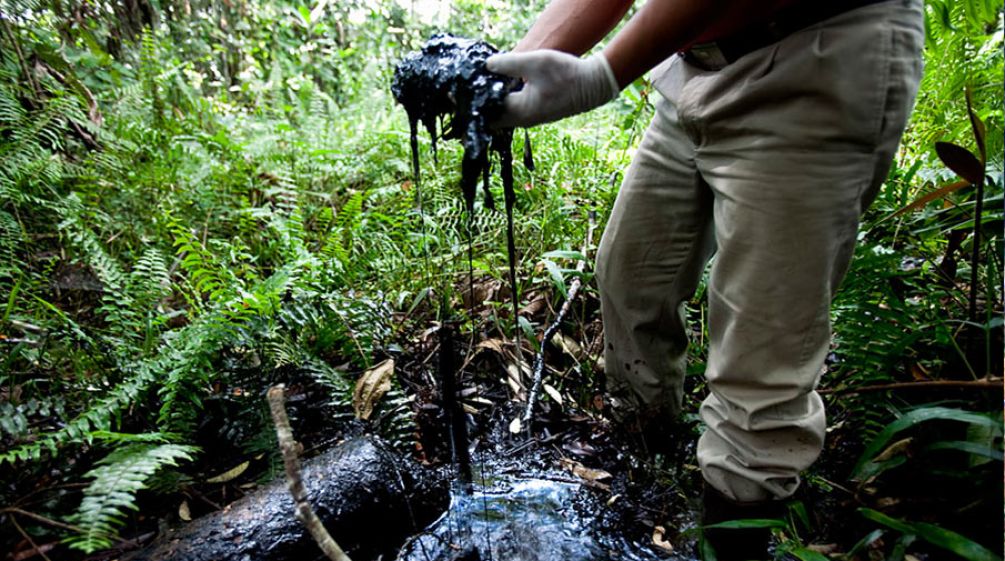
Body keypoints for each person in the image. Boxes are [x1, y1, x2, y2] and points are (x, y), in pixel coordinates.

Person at [486, 1, 924, 559]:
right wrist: (511, 72)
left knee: (761, 352)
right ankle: (648, 463)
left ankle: (732, 536)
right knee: (631, 275)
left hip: (814, 56)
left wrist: (604, 74)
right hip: (695, 68)